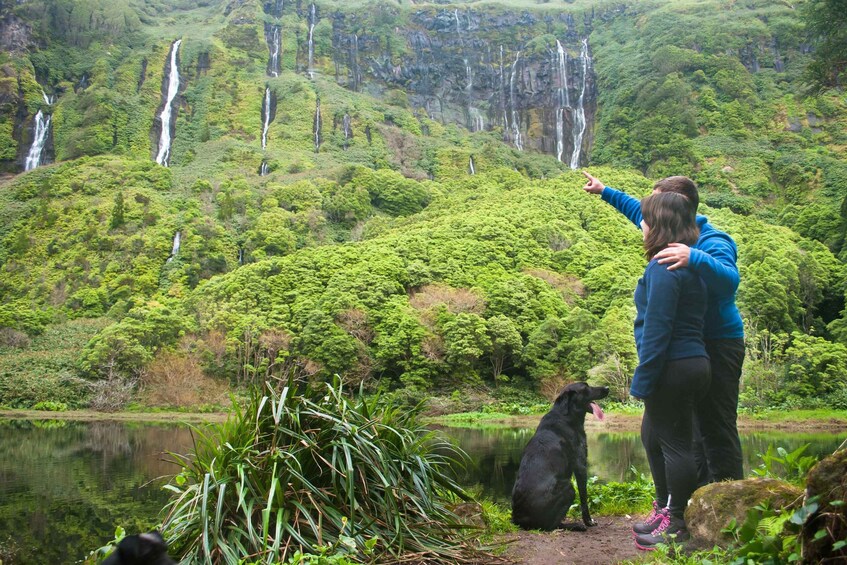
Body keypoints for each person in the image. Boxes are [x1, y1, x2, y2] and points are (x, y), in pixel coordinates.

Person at [581, 172, 745, 486]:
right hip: (688, 347)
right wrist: (604, 191)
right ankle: (695, 504)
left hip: (718, 342)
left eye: (658, 206)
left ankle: (729, 507)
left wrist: (694, 257)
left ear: (678, 207)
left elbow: (729, 280)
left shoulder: (713, 240)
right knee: (688, 433)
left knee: (717, 425)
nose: (651, 216)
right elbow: (637, 212)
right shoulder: (669, 235)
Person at [628, 192, 711, 549]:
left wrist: (642, 380)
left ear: (658, 226)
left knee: (676, 446)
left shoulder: (664, 266)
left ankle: (677, 523)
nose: (642, 226)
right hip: (690, 362)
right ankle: (667, 511)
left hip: (673, 365)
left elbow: (657, 329)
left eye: (646, 220)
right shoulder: (686, 262)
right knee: (655, 436)